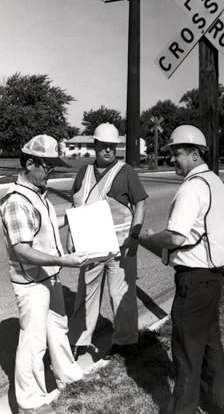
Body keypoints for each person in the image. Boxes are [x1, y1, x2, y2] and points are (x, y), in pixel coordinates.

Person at [139, 125, 224, 414]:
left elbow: (175, 237)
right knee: (210, 342)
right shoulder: (214, 182)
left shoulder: (191, 188)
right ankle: (213, 403)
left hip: (194, 279)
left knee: (186, 351)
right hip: (212, 276)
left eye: (177, 153)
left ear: (195, 154)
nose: (172, 159)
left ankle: (182, 409)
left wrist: (147, 237)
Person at [0, 134, 89, 414]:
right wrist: (64, 260)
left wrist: (77, 218)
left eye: (52, 167)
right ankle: (29, 401)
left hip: (49, 277)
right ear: (29, 163)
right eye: (47, 167)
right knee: (33, 342)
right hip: (31, 282)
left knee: (58, 328)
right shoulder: (16, 200)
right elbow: (23, 250)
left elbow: (47, 225)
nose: (50, 173)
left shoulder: (38, 195)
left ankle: (68, 376)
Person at [68, 123, 148, 358]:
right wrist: (70, 237)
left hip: (121, 248)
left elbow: (140, 203)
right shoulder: (84, 172)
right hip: (91, 247)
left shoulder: (126, 172)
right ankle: (79, 342)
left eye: (112, 147)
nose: (108, 151)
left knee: (121, 295)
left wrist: (135, 236)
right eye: (104, 146)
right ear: (95, 146)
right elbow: (76, 206)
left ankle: (126, 343)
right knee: (86, 295)